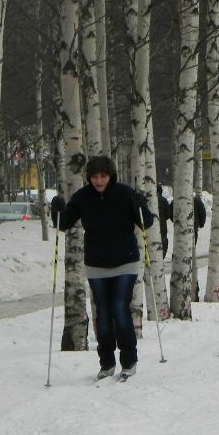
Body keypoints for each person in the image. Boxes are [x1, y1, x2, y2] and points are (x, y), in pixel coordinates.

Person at [58, 156, 154, 381]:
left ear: (110, 176)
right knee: (103, 313)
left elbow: (146, 222)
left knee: (120, 309)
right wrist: (58, 210)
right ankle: (107, 363)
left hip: (125, 261)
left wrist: (141, 205)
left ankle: (129, 360)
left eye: (102, 176)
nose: (99, 180)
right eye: (94, 176)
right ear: (89, 177)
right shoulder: (82, 198)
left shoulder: (125, 193)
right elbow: (63, 223)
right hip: (97, 264)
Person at [157, 184, 171, 258]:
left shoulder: (149, 200)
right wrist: (163, 219)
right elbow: (169, 214)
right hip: (162, 227)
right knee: (164, 245)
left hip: (152, 228)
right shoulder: (164, 200)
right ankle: (161, 258)